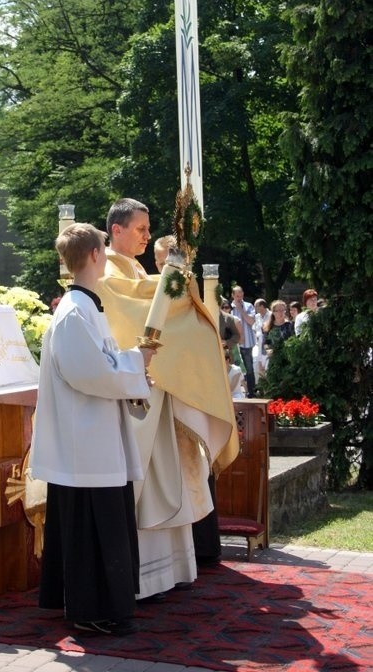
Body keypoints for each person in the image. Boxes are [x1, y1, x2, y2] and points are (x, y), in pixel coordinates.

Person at [97, 199, 239, 596]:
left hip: (155, 391)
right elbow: (134, 310)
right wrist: (175, 277)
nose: (146, 235)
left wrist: (175, 278)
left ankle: (171, 570)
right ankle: (145, 576)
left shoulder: (136, 268)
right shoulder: (107, 271)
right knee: (150, 484)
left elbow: (153, 295)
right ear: (117, 229)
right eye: (140, 229)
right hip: (136, 395)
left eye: (147, 228)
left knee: (169, 477)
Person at [30, 222, 156, 636]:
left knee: (101, 522)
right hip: (84, 444)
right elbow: (91, 373)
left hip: (96, 437)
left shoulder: (87, 307)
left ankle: (104, 603)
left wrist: (134, 364)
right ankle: (90, 609)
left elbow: (103, 362)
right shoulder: (72, 313)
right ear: (95, 255)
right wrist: (136, 362)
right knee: (90, 527)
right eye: (104, 249)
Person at [231, 286, 257, 397]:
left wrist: (241, 309)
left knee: (249, 368)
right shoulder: (229, 307)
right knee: (236, 368)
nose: (239, 298)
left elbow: (251, 321)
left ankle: (252, 392)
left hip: (247, 343)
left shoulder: (249, 306)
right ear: (233, 295)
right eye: (237, 295)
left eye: (241, 295)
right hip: (234, 345)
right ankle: (238, 392)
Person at [262, 300, 294, 365]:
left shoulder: (290, 325)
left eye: (283, 310)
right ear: (273, 312)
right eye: (278, 310)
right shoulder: (267, 326)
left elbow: (293, 341)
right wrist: (268, 350)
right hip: (274, 359)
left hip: (288, 359)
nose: (281, 313)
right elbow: (265, 342)